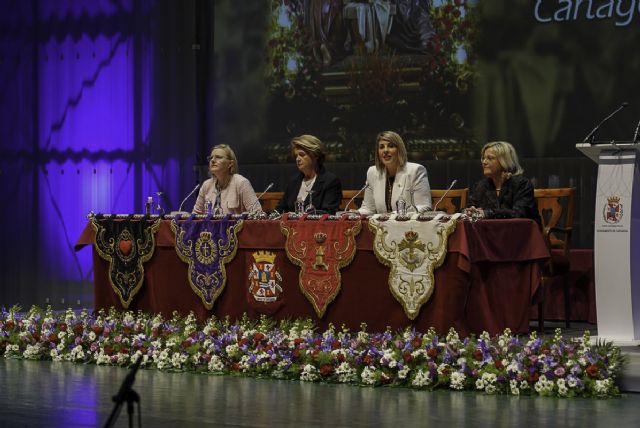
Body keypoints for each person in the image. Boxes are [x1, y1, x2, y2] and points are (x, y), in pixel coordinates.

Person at [358, 131, 432, 215]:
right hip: (380, 227)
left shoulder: (416, 171)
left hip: (408, 226)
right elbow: (368, 208)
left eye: (390, 146)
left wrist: (395, 214)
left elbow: (424, 207)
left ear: (399, 150)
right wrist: (354, 214)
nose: (385, 150)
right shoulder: (372, 172)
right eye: (381, 147)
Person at [465, 141, 540, 222]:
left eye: (490, 158)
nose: (484, 162)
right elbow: (468, 208)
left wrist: (487, 213)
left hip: (519, 232)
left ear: (505, 161)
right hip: (489, 232)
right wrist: (469, 212)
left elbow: (519, 213)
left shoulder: (522, 184)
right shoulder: (481, 186)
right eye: (483, 158)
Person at [275, 135, 343, 214]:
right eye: (296, 156)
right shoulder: (293, 181)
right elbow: (281, 209)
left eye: (302, 155)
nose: (297, 159)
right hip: (291, 226)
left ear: (315, 155)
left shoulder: (331, 181)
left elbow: (329, 212)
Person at [192, 144, 260, 215]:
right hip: (209, 226)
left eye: (218, 157)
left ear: (230, 163)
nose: (212, 160)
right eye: (211, 158)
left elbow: (257, 213)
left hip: (236, 226)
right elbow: (195, 215)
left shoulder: (241, 183)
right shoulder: (206, 185)